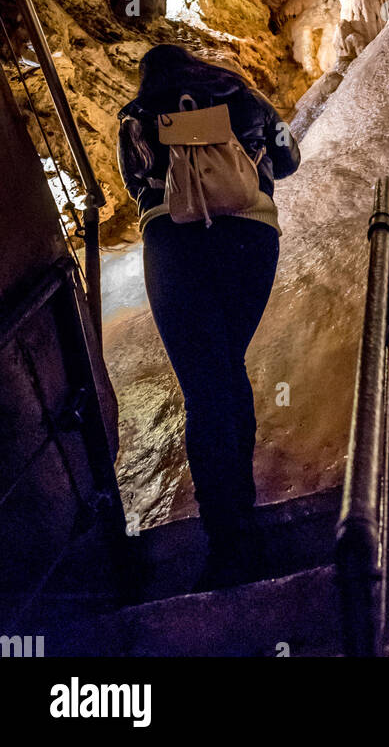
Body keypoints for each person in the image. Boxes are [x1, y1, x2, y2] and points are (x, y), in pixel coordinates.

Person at [116, 44, 300, 587]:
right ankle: (239, 524)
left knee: (207, 384)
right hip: (249, 238)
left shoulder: (137, 114)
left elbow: (135, 184)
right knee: (223, 375)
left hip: (176, 248)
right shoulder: (245, 97)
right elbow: (289, 159)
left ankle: (230, 542)